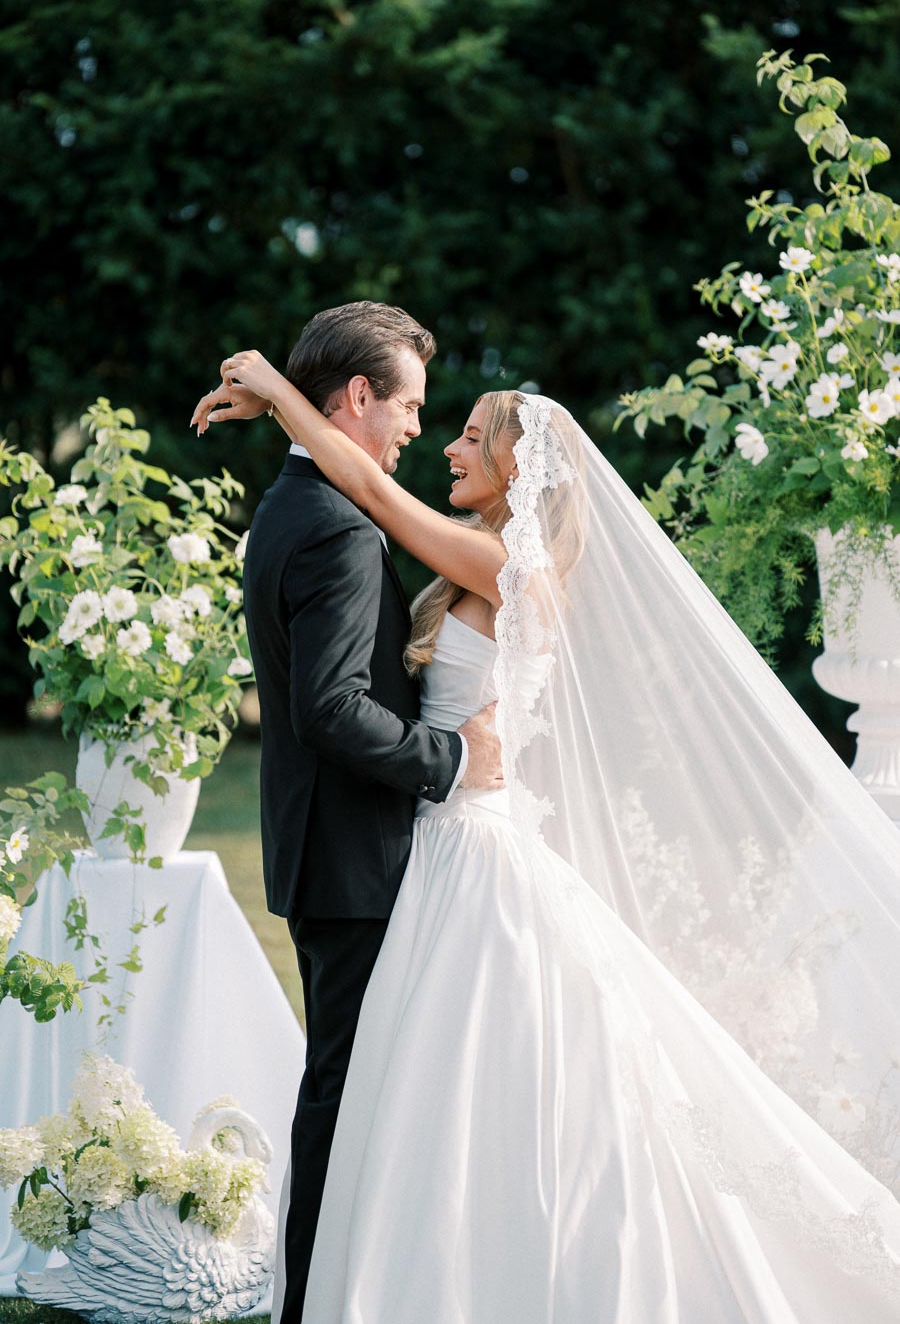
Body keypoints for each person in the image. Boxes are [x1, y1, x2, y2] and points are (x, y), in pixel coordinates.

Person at [195, 358, 900, 1321]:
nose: (447, 441)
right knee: (421, 1082)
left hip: (472, 846)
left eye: (473, 434)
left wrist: (280, 394)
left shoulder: (505, 567)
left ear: (520, 469)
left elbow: (365, 484)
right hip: (442, 840)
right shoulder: (477, 561)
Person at [192, 304, 503, 1321]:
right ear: (359, 397)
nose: (422, 427)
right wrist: (450, 761)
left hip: (336, 852)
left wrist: (279, 397)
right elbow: (331, 710)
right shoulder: (335, 526)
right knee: (345, 1097)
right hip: (356, 859)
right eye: (411, 404)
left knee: (361, 1093)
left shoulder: (303, 502)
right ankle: (319, 1299)